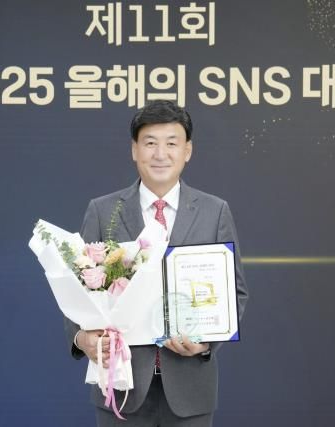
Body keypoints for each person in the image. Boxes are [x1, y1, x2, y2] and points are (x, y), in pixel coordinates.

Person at [64, 100, 249, 426]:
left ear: (187, 151)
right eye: (150, 143)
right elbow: (77, 287)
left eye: (171, 143)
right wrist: (82, 339)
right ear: (134, 150)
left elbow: (235, 292)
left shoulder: (214, 211)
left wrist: (206, 343)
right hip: (121, 385)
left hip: (190, 389)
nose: (160, 154)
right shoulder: (103, 211)